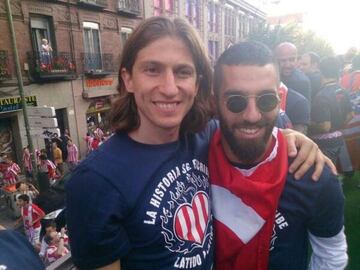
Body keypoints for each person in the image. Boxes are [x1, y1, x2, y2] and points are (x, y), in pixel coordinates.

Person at [66, 17, 334, 270]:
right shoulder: (94, 182)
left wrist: (293, 138)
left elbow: (250, 126)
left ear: (197, 84)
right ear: (128, 79)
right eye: (152, 70)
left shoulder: (206, 134)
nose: (169, 88)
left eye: (183, 72)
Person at [210, 41, 348, 270]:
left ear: (280, 100)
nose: (252, 116)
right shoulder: (193, 155)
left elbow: (331, 255)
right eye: (236, 102)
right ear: (215, 103)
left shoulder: (312, 174)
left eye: (266, 100)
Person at [309, 57, 354, 163]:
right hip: (338, 139)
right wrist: (338, 127)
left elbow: (325, 126)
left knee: (325, 171)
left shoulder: (321, 96)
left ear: (321, 72)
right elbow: (351, 115)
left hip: (324, 143)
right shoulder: (343, 91)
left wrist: (309, 123)